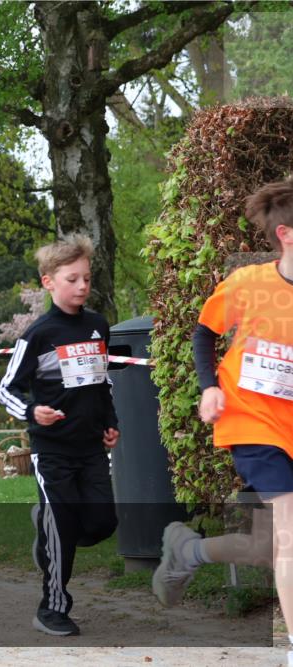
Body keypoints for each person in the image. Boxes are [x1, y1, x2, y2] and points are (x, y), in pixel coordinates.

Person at [152, 179, 293, 667]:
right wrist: (210, 386)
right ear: (286, 234)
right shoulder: (250, 284)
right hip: (252, 423)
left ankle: (188, 552)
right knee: (289, 536)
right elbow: (204, 332)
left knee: (265, 548)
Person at [0, 235, 120, 637]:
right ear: (49, 283)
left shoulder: (98, 326)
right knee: (63, 528)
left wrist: (110, 422)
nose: (82, 286)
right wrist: (33, 412)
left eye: (86, 278)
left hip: (91, 448)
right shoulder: (38, 334)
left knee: (102, 522)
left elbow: (102, 384)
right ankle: (52, 608)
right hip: (52, 452)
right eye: (72, 279)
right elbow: (5, 389)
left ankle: (48, 531)